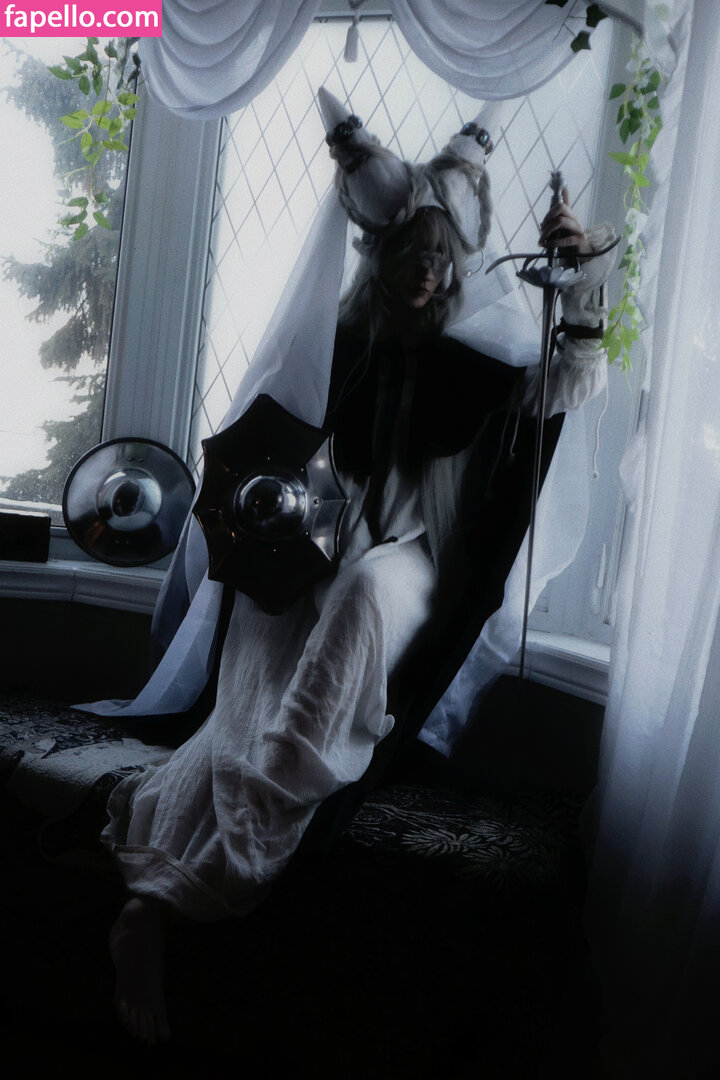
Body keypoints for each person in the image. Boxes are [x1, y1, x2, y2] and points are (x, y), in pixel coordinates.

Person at [99, 89, 616, 1044]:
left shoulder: (486, 342)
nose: (425, 270)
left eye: (439, 255)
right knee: (265, 648)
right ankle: (179, 876)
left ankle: (180, 892)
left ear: (455, 260)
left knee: (362, 603)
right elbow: (275, 438)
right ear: (380, 251)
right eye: (409, 250)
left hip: (409, 555)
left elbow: (571, 382)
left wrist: (579, 276)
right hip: (323, 534)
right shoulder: (341, 338)